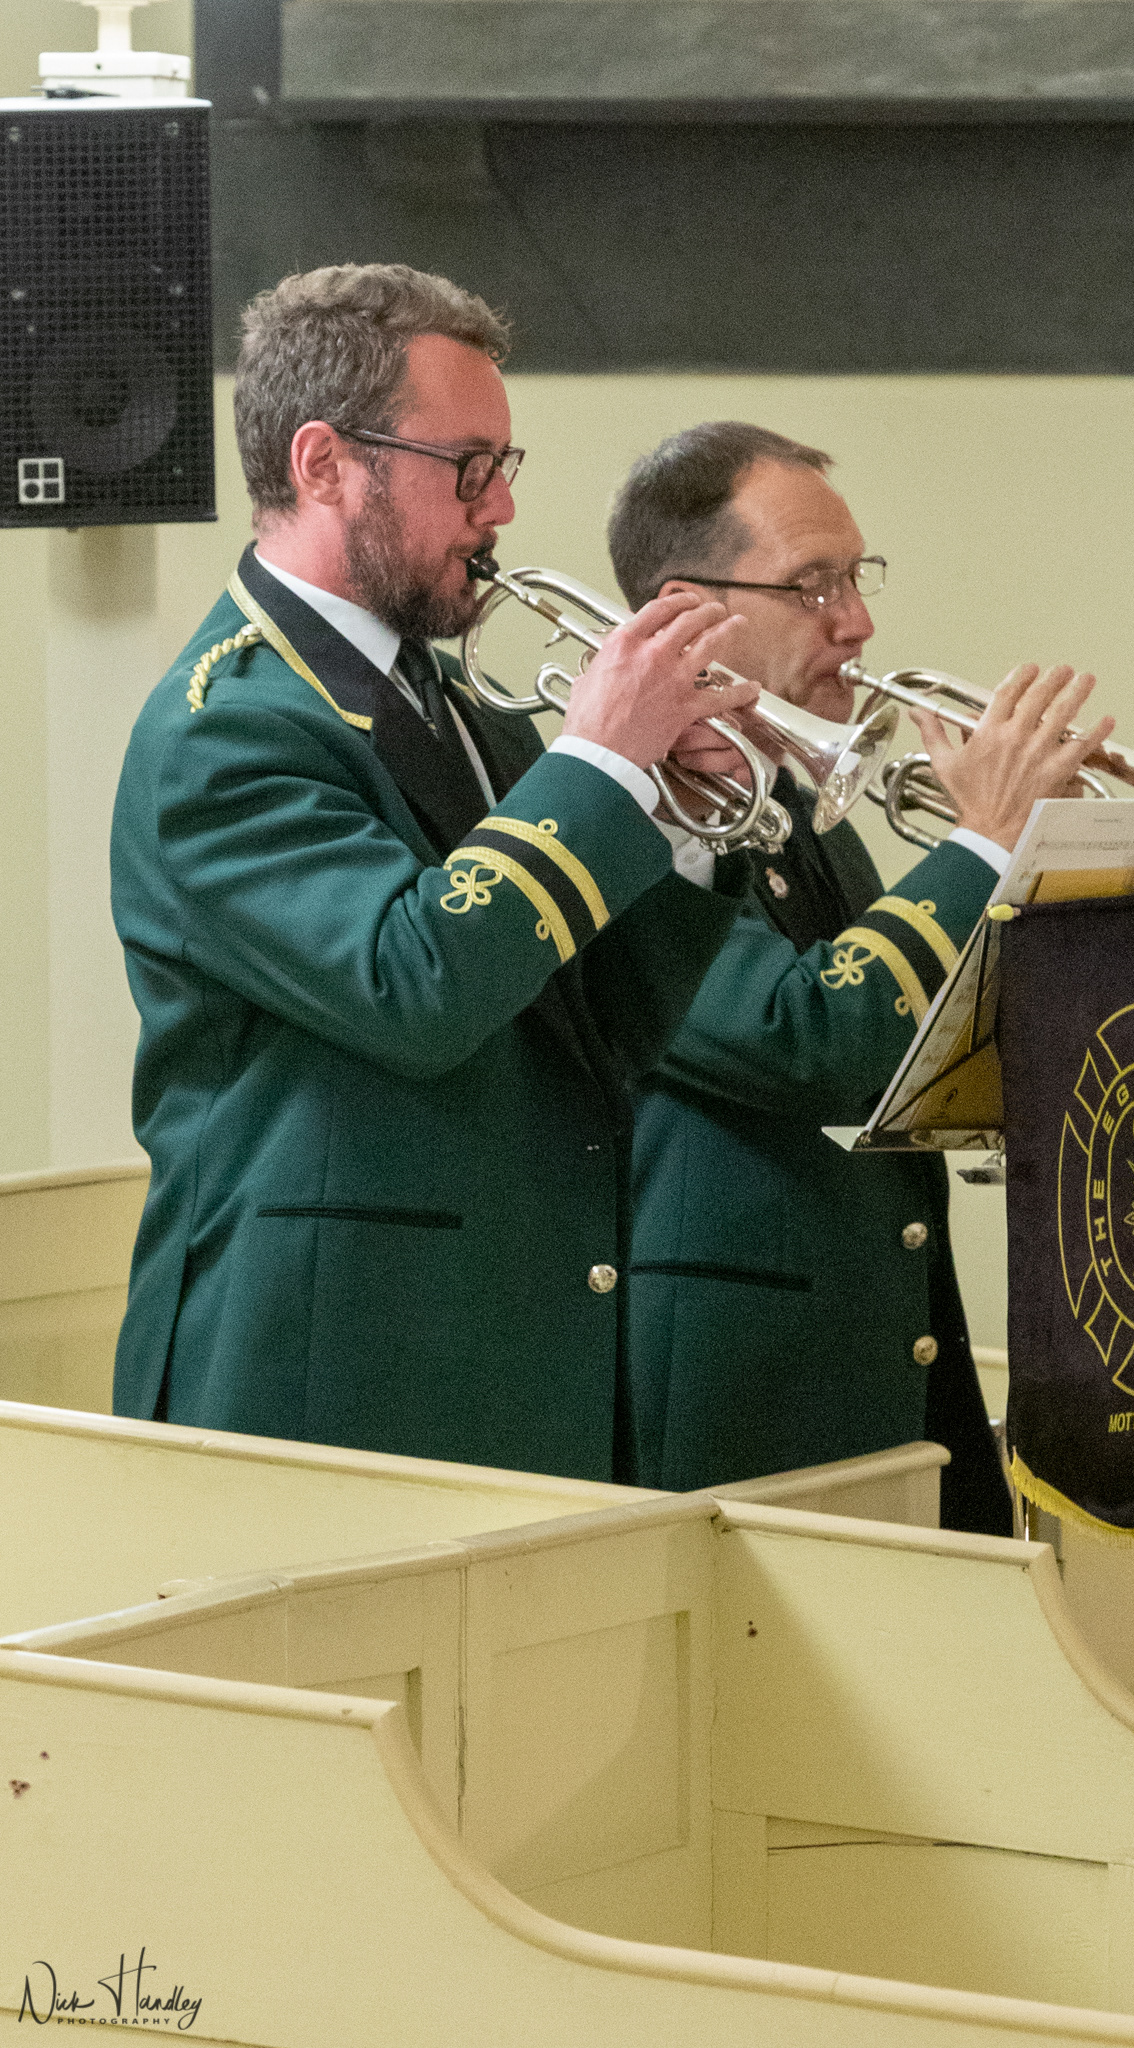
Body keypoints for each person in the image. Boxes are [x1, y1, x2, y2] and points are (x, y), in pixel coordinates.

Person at [110, 265, 763, 1481]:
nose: (500, 507)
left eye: (504, 467)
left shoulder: (463, 704)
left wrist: (674, 812)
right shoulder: (226, 725)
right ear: (324, 464)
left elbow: (605, 1026)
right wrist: (598, 763)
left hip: (512, 1358)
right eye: (467, 468)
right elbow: (415, 985)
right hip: (321, 1385)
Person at [608, 422, 1112, 1532]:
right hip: (733, 1407)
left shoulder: (796, 806)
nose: (857, 623)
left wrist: (1055, 884)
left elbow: (906, 1046)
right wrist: (981, 844)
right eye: (812, 585)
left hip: (876, 1360)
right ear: (687, 610)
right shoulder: (622, 817)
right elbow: (813, 1039)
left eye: (855, 577)